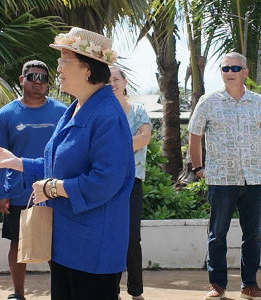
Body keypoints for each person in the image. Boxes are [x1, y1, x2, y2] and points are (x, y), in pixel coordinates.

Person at [0, 27, 135, 300]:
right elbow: (60, 164)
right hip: (69, 243)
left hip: (93, 247)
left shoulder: (107, 115)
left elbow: (106, 179)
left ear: (87, 68)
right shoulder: (78, 107)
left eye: (64, 60)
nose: (58, 67)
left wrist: (54, 188)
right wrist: (18, 163)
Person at [188, 52, 261, 300]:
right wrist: (198, 168)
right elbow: (194, 135)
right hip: (221, 179)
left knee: (253, 235)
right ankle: (217, 285)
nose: (229, 72)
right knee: (217, 235)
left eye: (235, 68)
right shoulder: (208, 101)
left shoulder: (258, 102)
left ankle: (250, 285)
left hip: (253, 180)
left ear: (245, 73)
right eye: (225, 68)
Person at [0, 60, 67, 300]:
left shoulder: (63, 111)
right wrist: (0, 193)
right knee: (18, 243)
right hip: (19, 193)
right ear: (21, 80)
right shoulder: (5, 115)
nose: (38, 82)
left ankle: (63, 293)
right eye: (32, 76)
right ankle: (18, 293)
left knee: (58, 248)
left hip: (56, 190)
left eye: (43, 78)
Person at [109, 66, 151, 300]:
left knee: (132, 237)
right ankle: (111, 290)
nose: (112, 83)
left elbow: (144, 138)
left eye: (116, 79)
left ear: (125, 82)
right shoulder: (102, 111)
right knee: (111, 236)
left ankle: (136, 292)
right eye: (107, 80)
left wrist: (114, 145)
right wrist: (128, 141)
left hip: (132, 182)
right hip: (106, 182)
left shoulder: (137, 110)